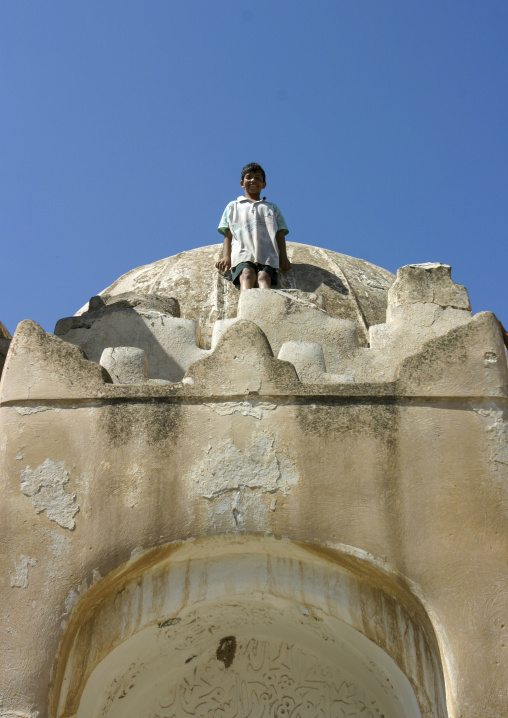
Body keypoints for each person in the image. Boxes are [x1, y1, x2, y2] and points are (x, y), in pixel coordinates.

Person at [215, 163, 291, 290]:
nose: (253, 180)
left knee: (264, 277)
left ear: (264, 184)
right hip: (242, 251)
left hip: (267, 253)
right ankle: (248, 305)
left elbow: (280, 233)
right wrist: (226, 256)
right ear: (242, 183)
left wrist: (283, 256)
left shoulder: (271, 208)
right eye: (249, 177)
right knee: (246, 274)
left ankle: (263, 307)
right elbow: (228, 233)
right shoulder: (233, 206)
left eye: (257, 178)